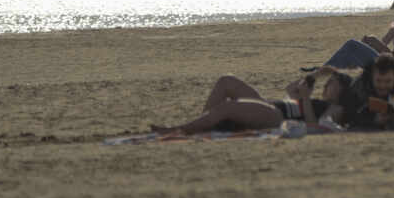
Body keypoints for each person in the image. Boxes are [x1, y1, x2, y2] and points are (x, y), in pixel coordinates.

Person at [150, 68, 353, 135]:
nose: (327, 86)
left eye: (332, 84)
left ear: (342, 91)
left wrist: (307, 99)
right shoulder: (318, 100)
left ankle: (180, 129)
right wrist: (315, 76)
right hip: (272, 106)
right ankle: (206, 123)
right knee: (226, 81)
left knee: (229, 107)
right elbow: (290, 90)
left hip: (277, 116)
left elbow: (316, 127)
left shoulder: (335, 108)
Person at [340, 54, 394, 128]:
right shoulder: (361, 84)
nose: (382, 86)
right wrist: (372, 119)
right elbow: (348, 113)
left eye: (388, 81)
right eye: (378, 81)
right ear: (372, 75)